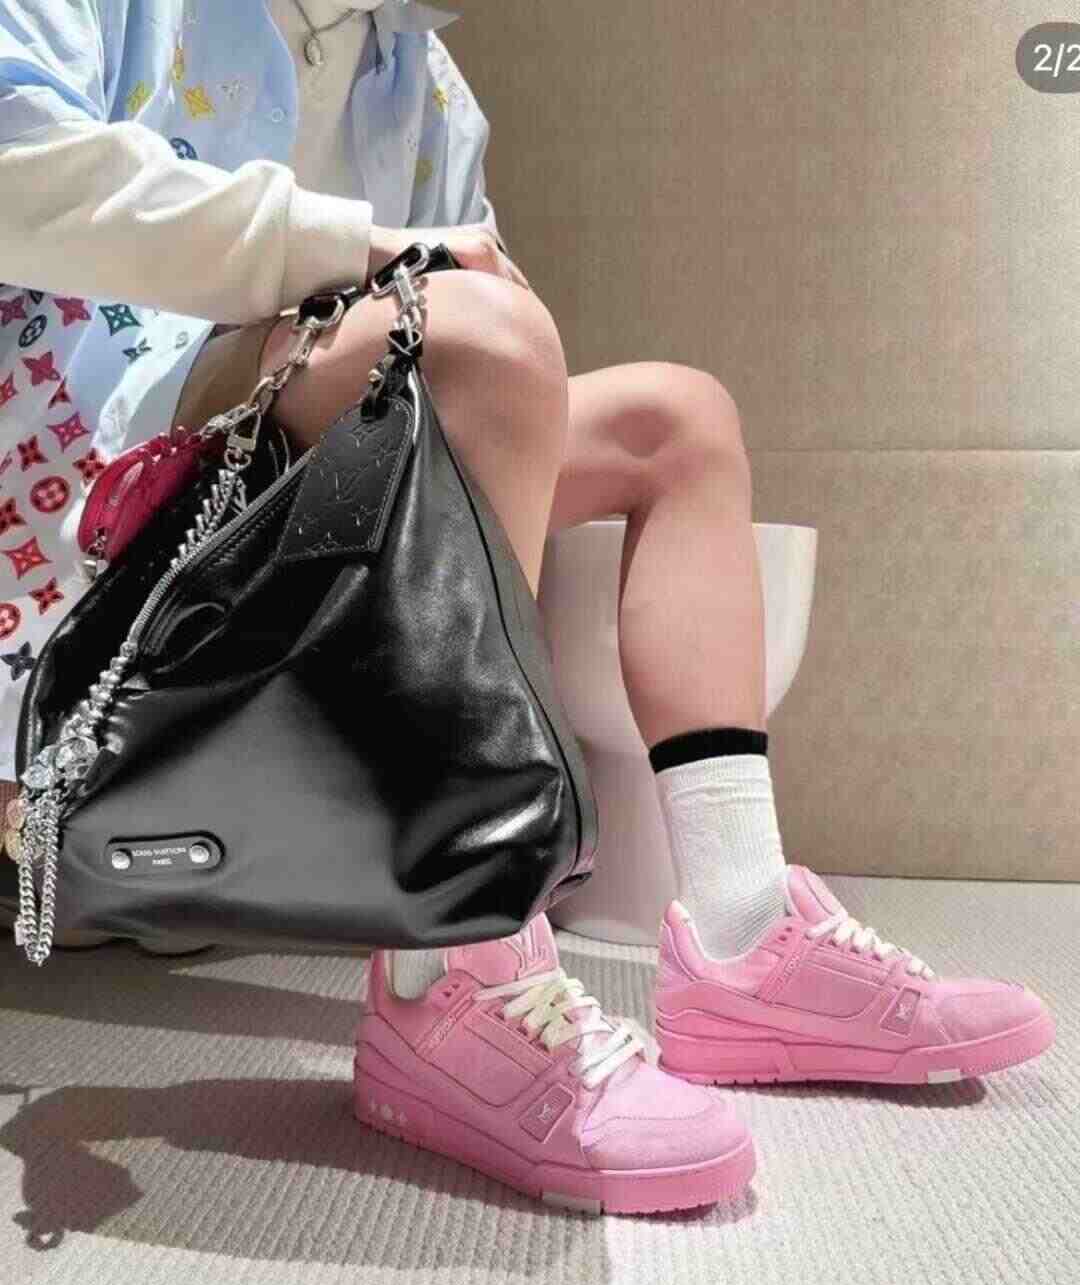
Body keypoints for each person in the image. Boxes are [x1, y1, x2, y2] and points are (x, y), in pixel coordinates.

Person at [0, 1, 1054, 1216]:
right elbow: (17, 167)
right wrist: (356, 246)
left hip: (288, 439)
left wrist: (426, 288)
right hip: (95, 475)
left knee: (675, 421)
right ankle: (454, 981)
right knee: (485, 347)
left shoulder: (428, 87)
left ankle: (744, 932)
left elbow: (484, 366)